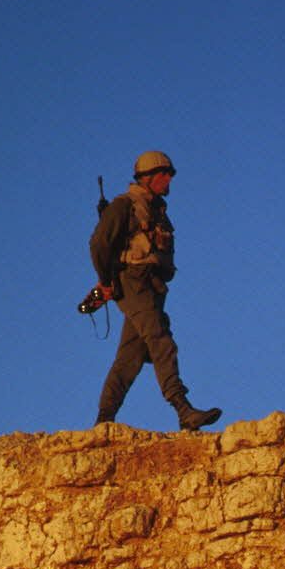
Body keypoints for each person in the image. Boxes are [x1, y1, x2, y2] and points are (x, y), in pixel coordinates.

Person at [89, 150, 222, 431]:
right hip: (133, 282)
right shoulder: (124, 206)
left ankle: (104, 420)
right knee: (161, 341)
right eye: (164, 175)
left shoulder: (155, 208)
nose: (169, 180)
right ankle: (182, 408)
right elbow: (99, 243)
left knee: (130, 356)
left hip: (151, 287)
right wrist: (105, 281)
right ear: (148, 177)